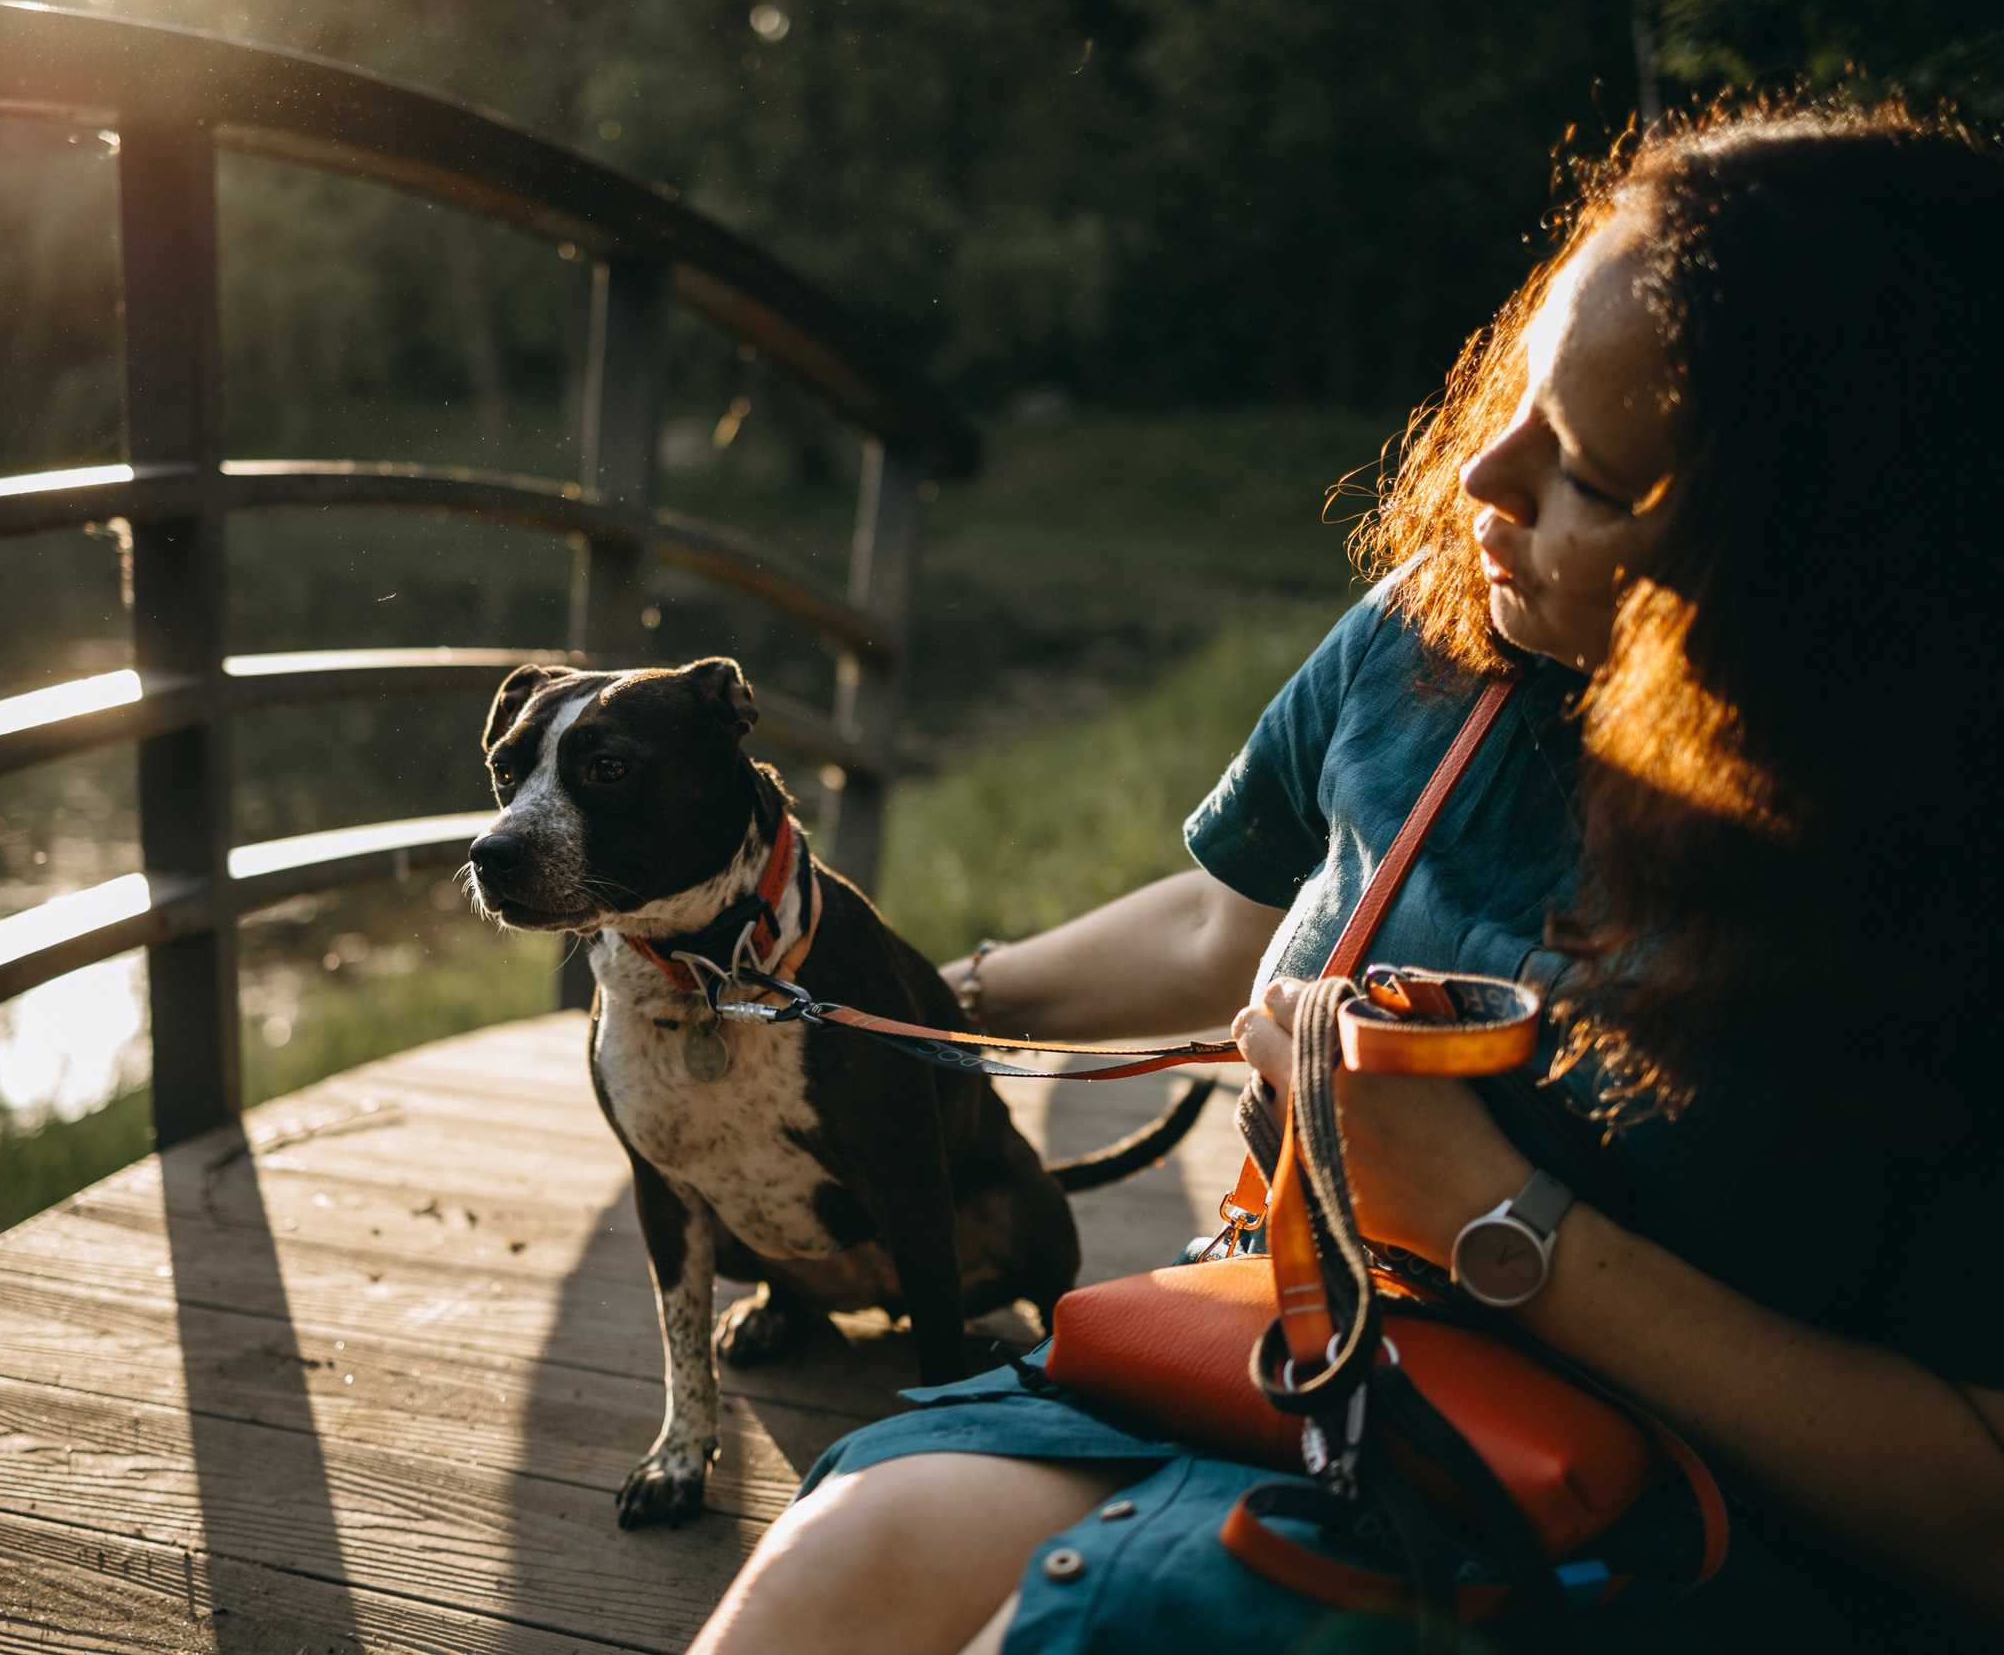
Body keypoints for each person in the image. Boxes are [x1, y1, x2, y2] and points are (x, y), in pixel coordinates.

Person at [687, 103, 2004, 1655]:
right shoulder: (1430, 637)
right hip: (1273, 1355)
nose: (1485, 476)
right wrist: (908, 1009)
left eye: (1591, 475)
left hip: (1645, 1522)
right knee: (841, 1559)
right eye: (1520, 394)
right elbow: (1219, 917)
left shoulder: (1942, 875)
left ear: (1816, 560)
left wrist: (1494, 1220)